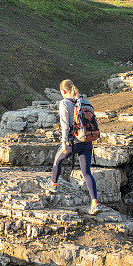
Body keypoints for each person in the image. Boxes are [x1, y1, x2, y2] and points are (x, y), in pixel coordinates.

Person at [49, 79, 98, 211]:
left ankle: (53, 186)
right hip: (87, 141)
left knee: (57, 161)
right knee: (87, 173)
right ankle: (94, 204)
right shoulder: (85, 101)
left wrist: (64, 143)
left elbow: (65, 125)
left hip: (73, 143)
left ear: (63, 91)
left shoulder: (64, 103)